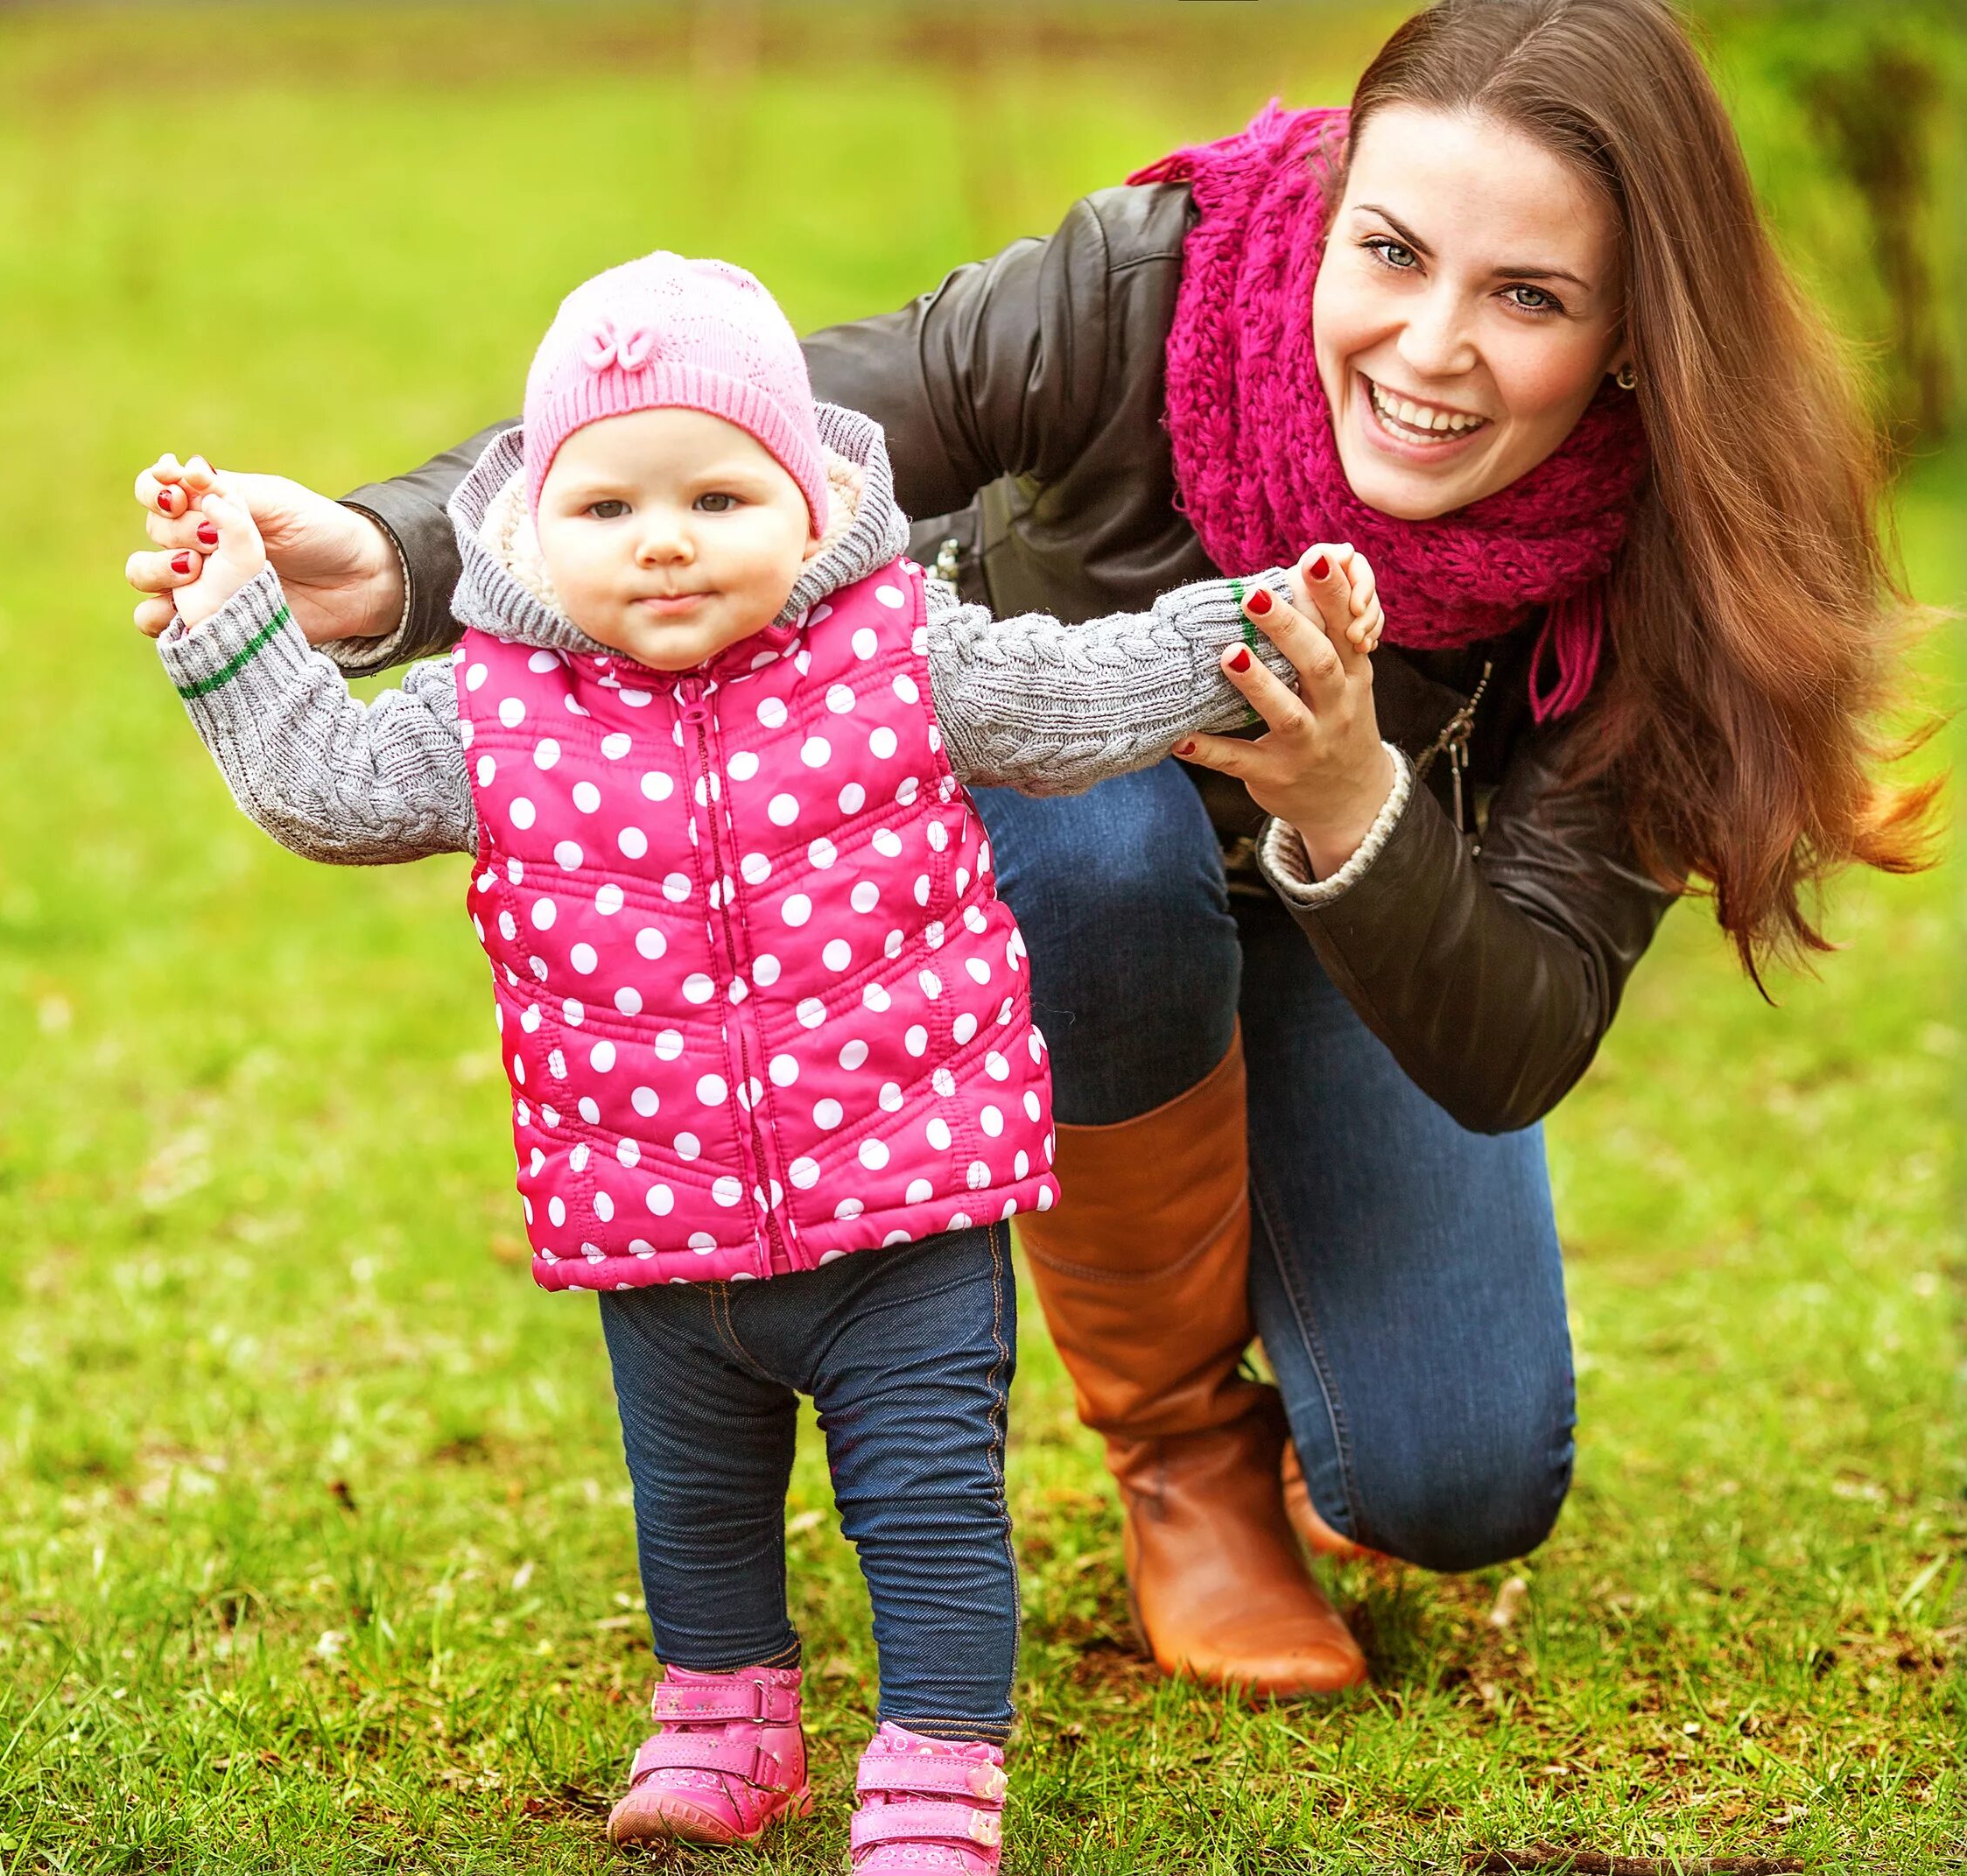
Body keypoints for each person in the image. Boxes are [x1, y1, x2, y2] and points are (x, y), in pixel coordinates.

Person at [127, 0, 1936, 1700]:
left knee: (1456, 1486)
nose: (1430, 345)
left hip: (1360, 913)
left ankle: (1326, 1378)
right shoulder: (1158, 286)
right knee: (1100, 848)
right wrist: (393, 558)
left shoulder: (1676, 557)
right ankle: (1179, 1455)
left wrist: (1342, 798)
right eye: (1388, 252)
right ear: (1329, 211)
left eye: (1528, 295)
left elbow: (1520, 1034)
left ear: (1637, 332)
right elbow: (784, 422)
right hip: (1043, 857)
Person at [125, 251, 1374, 1863]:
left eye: (719, 495)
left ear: (811, 497)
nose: (662, 540)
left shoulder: (899, 655)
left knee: (927, 1509)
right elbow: (328, 785)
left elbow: (1072, 697)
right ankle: (724, 1718)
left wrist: (1259, 621)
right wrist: (232, 610)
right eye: (606, 508)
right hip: (655, 1220)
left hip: (908, 1205)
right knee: (696, 1513)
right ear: (527, 527)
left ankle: (936, 1770)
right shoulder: (497, 712)